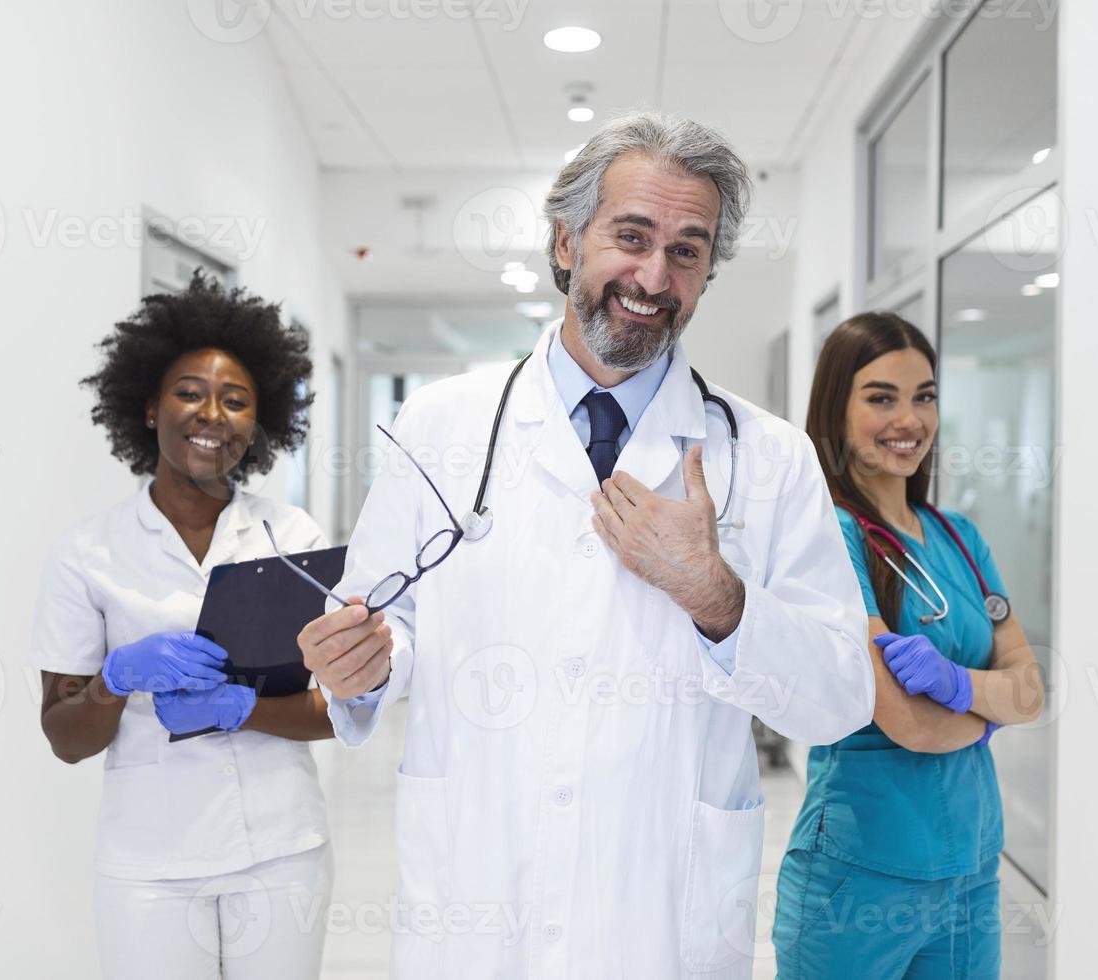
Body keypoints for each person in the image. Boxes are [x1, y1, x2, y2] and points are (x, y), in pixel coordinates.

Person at [293, 110, 875, 978]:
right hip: (479, 907)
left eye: (688, 249)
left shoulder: (768, 456)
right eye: (630, 236)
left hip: (661, 919)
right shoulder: (441, 425)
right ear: (565, 243)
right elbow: (385, 625)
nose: (654, 274)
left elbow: (839, 699)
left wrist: (717, 597)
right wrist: (360, 663)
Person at [31, 272, 337, 979]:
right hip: (150, 864)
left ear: (257, 426)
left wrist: (245, 709)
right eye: (190, 392)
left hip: (282, 848)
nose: (213, 414)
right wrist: (116, 677)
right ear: (147, 408)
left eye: (236, 401)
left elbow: (339, 709)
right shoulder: (87, 553)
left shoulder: (292, 535)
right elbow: (62, 736)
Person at [772, 312, 1047, 979]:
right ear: (836, 409)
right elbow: (908, 723)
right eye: (881, 397)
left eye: (923, 396)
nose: (909, 419)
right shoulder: (830, 539)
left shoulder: (959, 538)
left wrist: (960, 688)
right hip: (862, 876)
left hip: (973, 871)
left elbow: (1032, 689)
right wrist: (991, 713)